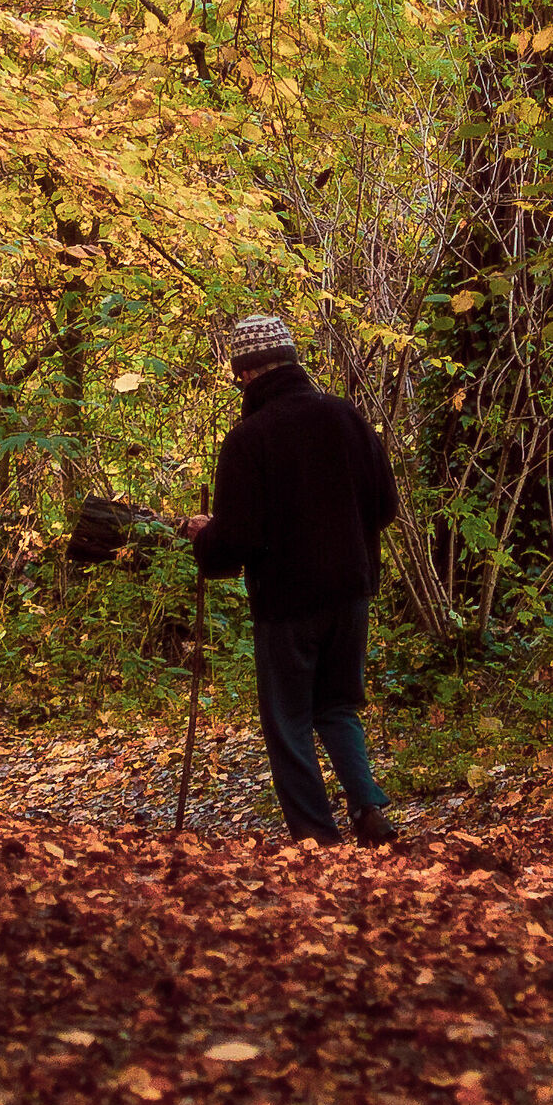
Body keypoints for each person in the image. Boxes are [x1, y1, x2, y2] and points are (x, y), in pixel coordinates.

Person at [178, 314, 401, 849]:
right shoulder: (346, 417)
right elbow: (386, 505)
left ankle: (315, 838)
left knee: (288, 720)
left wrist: (206, 536)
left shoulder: (247, 439)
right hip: (351, 591)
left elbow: (241, 541)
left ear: (245, 374)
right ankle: (368, 808)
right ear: (292, 361)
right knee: (337, 706)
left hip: (287, 603)